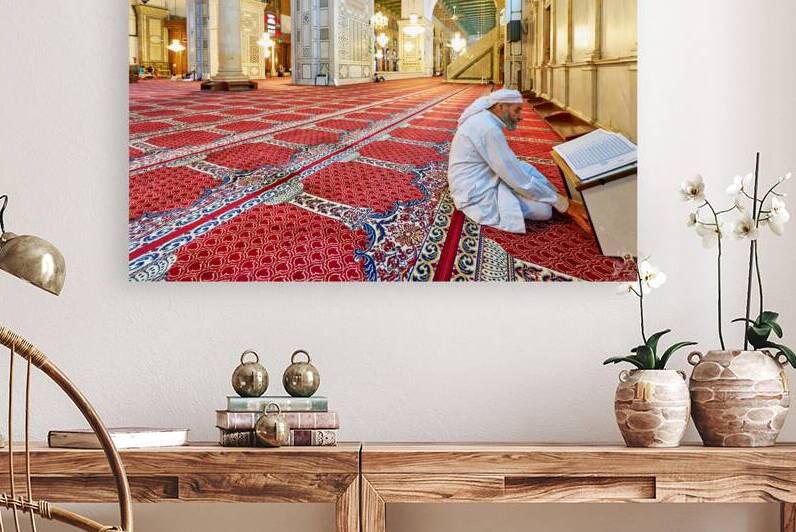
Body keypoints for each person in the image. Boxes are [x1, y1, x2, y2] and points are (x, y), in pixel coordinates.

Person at [447, 88, 591, 234]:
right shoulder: (488, 129)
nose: (520, 116)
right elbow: (516, 178)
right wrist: (564, 205)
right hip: (474, 190)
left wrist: (558, 200)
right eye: (517, 110)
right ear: (501, 107)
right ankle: (558, 201)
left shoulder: (485, 120)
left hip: (483, 175)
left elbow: (513, 170)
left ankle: (555, 197)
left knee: (526, 168)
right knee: (543, 211)